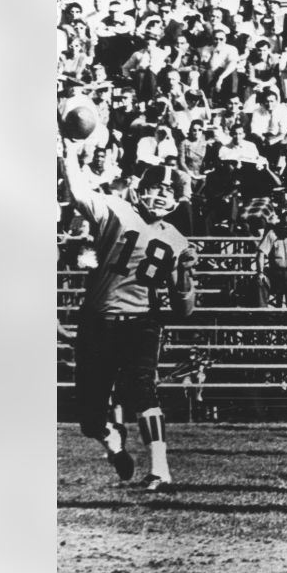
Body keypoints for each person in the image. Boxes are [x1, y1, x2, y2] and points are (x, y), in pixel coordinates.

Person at [60, 149, 196, 493]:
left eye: (169, 189)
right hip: (99, 321)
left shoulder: (177, 240)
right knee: (90, 418)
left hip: (142, 323)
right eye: (157, 186)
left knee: (143, 391)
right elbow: (77, 193)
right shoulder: (116, 209)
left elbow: (184, 310)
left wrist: (183, 276)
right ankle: (112, 441)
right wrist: (71, 151)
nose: (163, 193)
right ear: (139, 188)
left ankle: (160, 470)